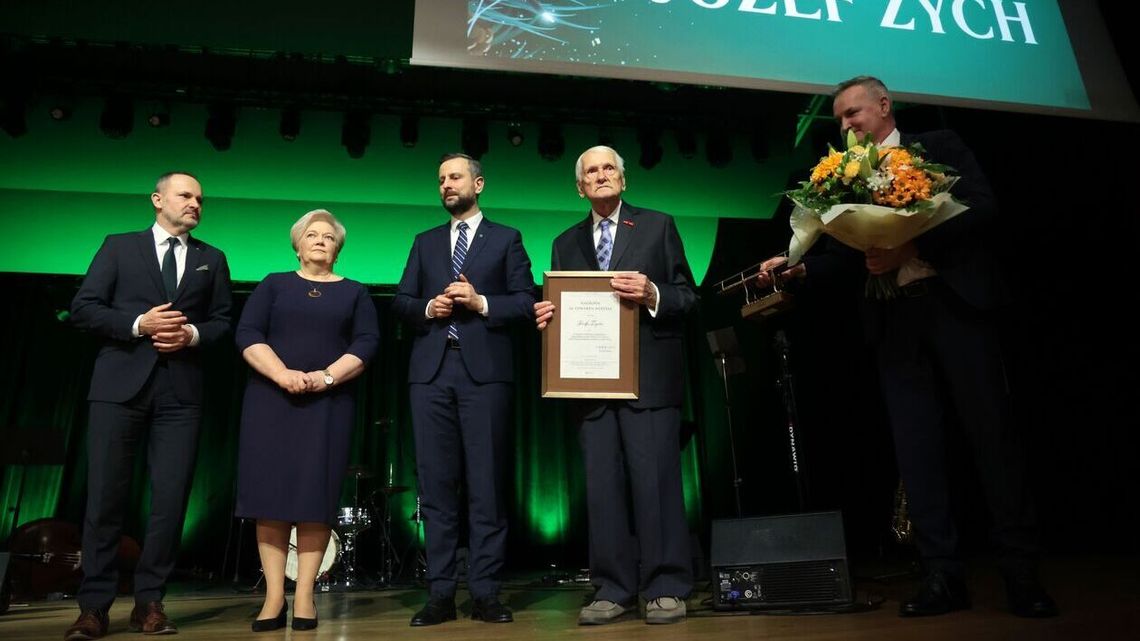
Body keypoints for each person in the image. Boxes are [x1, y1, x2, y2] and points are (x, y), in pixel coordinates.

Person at [758, 76, 1057, 618]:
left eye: (853, 114)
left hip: (956, 311)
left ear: (884, 106)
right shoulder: (843, 177)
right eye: (840, 120)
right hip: (894, 323)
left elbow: (983, 208)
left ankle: (1021, 575)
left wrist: (915, 244)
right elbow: (851, 256)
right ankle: (942, 576)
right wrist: (800, 267)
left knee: (993, 440)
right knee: (917, 453)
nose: (846, 126)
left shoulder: (938, 147)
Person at [534, 146, 698, 625]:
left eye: (608, 168)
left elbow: (688, 297)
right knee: (602, 489)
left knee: (657, 486)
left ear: (623, 179)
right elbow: (565, 307)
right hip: (590, 386)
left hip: (649, 381)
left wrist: (653, 293)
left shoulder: (658, 225)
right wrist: (548, 316)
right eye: (590, 171)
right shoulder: (565, 243)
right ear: (579, 186)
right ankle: (612, 587)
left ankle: (667, 584)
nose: (600, 175)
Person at [66, 171, 233, 639]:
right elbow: (84, 308)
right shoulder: (119, 246)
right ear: (158, 199)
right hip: (119, 388)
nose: (195, 203)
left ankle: (150, 603)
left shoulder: (211, 259)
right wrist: (139, 323)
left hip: (181, 393)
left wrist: (191, 334)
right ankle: (94, 606)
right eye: (186, 195)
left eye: (201, 198)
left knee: (171, 501)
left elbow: (222, 321)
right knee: (104, 498)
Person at [393, 153, 535, 626]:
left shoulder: (506, 239)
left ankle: (486, 592)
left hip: (485, 374)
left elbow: (525, 302)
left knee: (486, 487)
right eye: (440, 180)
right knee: (435, 488)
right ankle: (439, 594)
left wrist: (480, 302)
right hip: (431, 373)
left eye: (454, 177)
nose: (446, 186)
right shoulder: (425, 241)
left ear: (479, 183)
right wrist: (427, 308)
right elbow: (401, 301)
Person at [234, 209, 379, 632]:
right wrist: (282, 374)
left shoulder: (355, 293)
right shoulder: (273, 284)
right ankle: (273, 597)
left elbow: (367, 343)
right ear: (297, 245)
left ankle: (305, 596)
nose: (319, 240)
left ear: (338, 247)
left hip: (328, 405)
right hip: (269, 401)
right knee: (270, 499)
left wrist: (325, 377)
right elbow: (248, 334)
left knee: (315, 499)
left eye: (328, 236)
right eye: (311, 235)